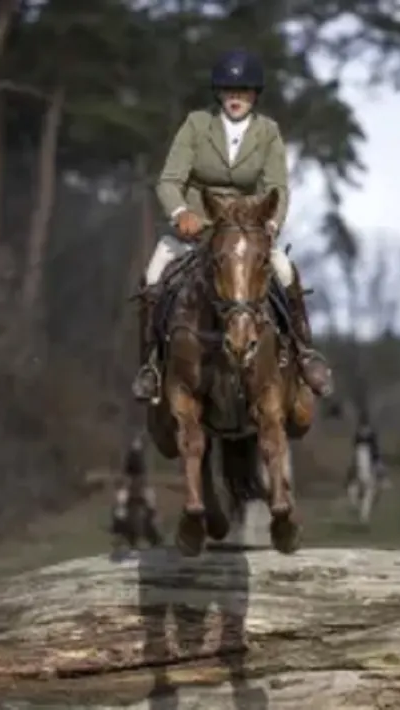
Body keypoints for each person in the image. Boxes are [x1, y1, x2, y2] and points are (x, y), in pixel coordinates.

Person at [131, 48, 333, 403]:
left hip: (247, 234)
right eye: (229, 90)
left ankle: (304, 354)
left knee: (286, 272)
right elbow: (169, 180)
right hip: (196, 231)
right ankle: (152, 366)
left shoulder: (268, 132)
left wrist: (271, 224)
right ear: (219, 93)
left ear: (255, 95)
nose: (236, 98)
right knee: (152, 277)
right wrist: (180, 213)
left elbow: (278, 188)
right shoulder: (196, 125)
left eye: (243, 91)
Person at [111, 433, 161, 554]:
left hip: (137, 485)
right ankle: (121, 529)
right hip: (133, 484)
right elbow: (130, 474)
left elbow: (140, 475)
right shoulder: (134, 462)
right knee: (122, 505)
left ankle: (151, 531)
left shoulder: (139, 463)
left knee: (148, 505)